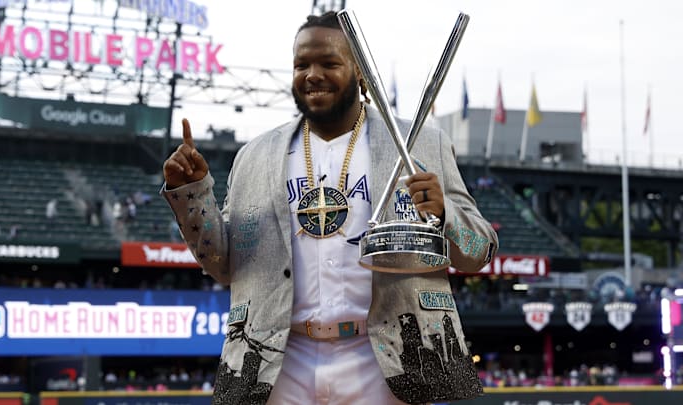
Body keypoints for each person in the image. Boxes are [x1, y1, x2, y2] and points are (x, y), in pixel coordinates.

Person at [161, 11, 497, 405]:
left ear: (359, 73)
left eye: (329, 63)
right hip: (281, 363)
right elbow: (222, 264)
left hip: (386, 362)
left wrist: (445, 216)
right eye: (301, 64)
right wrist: (192, 195)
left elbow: (480, 253)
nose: (312, 74)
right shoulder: (254, 156)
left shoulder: (420, 143)